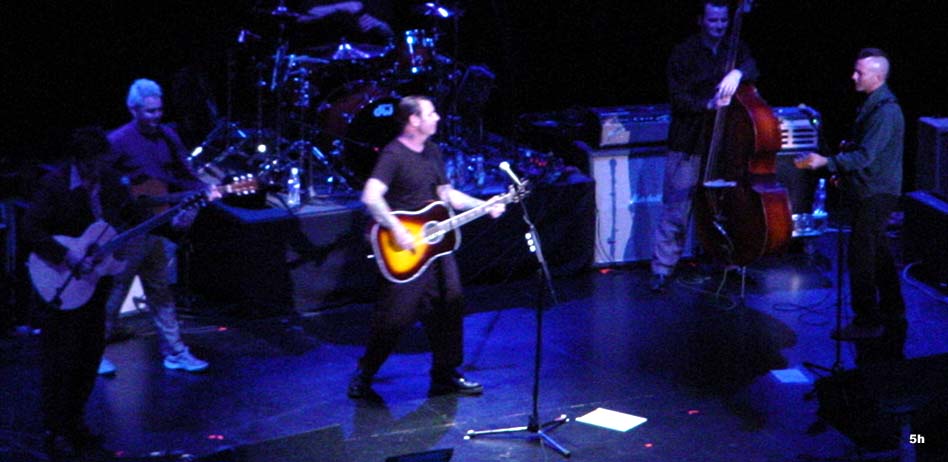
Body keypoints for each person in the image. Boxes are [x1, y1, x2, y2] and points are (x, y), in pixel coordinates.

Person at [347, 95, 505, 399]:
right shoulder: (393, 155)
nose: (437, 118)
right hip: (405, 250)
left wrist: (484, 205)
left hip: (436, 245)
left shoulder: (432, 151)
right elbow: (371, 197)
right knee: (395, 318)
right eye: (431, 113)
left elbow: (447, 195)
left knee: (451, 302)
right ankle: (365, 372)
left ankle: (446, 374)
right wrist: (396, 229)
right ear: (414, 120)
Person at [21, 127, 140, 458]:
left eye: (102, 163)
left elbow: (134, 217)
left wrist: (176, 219)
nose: (97, 170)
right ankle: (55, 428)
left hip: (95, 285)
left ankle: (75, 423)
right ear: (78, 160)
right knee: (61, 360)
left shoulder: (111, 182)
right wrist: (67, 255)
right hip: (61, 281)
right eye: (91, 164)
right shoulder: (55, 185)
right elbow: (31, 229)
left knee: (89, 357)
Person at [101, 78, 217, 374]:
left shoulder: (168, 136)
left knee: (160, 291)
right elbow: (101, 184)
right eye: (149, 111)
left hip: (156, 227)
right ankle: (93, 353)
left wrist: (194, 204)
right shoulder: (118, 140)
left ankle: (175, 352)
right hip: (129, 229)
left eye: (159, 110)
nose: (156, 116)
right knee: (116, 292)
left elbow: (187, 178)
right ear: (134, 110)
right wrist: (123, 202)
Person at [794, 48, 905, 341]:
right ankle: (893, 310)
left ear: (877, 76)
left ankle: (867, 321)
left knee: (861, 257)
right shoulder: (874, 105)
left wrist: (826, 162)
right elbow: (866, 150)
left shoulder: (885, 111)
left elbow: (865, 157)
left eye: (860, 72)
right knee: (878, 252)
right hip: (872, 189)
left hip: (876, 192)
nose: (853, 76)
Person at [650, 0, 759, 293]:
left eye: (723, 20)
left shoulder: (735, 48)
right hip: (690, 141)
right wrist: (708, 105)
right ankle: (662, 268)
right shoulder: (683, 53)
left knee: (722, 207)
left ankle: (728, 261)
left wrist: (738, 73)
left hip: (723, 144)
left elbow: (753, 65)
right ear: (701, 20)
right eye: (713, 21)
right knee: (677, 208)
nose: (719, 26)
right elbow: (678, 98)